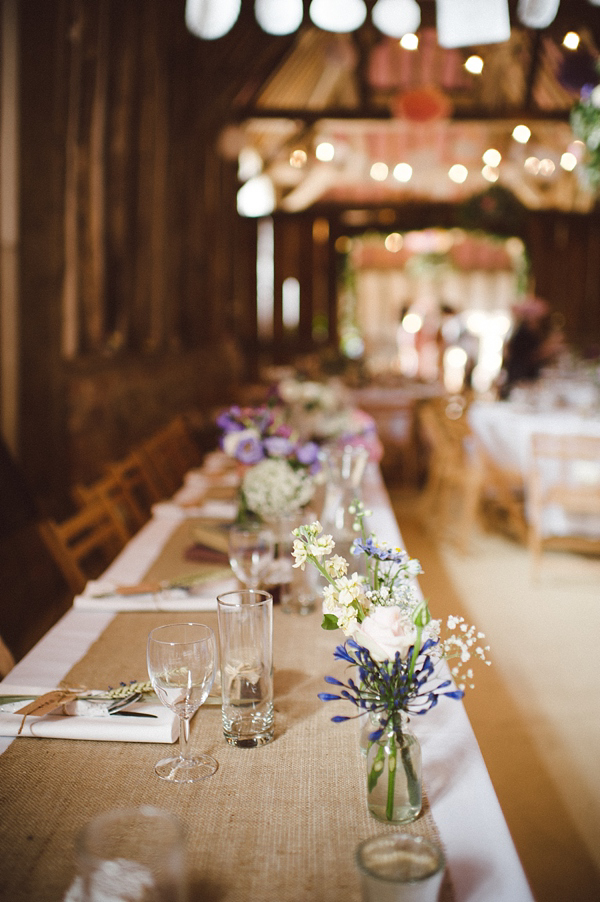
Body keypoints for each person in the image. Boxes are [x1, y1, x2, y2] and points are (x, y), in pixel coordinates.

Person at [498, 296, 564, 399]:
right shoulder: (523, 333)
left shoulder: (531, 331)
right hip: (520, 378)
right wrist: (551, 347)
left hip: (526, 376)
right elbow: (531, 356)